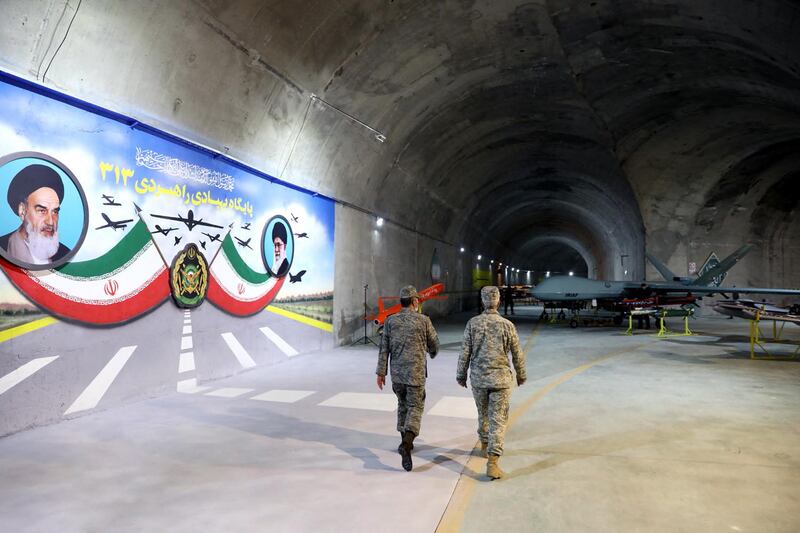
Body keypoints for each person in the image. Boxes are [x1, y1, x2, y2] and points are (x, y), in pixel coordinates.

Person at [457, 285, 526, 480]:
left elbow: (465, 352)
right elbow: (517, 353)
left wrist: (461, 375)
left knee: (483, 414)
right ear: (498, 301)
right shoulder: (507, 325)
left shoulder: (473, 324)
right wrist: (521, 374)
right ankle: (493, 463)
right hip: (501, 380)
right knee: (499, 420)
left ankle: (485, 444)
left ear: (482, 301)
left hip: (479, 379)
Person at [376, 285, 439, 471]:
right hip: (416, 375)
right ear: (414, 301)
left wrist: (381, 372)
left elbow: (384, 348)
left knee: (403, 405)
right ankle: (407, 444)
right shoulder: (423, 321)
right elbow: (434, 343)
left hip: (397, 375)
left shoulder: (390, 321)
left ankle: (404, 441)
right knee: (416, 406)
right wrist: (433, 352)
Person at [0, 164, 70, 265]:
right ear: (22, 211)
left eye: (55, 211)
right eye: (42, 211)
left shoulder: (65, 255)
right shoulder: (3, 247)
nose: (50, 221)